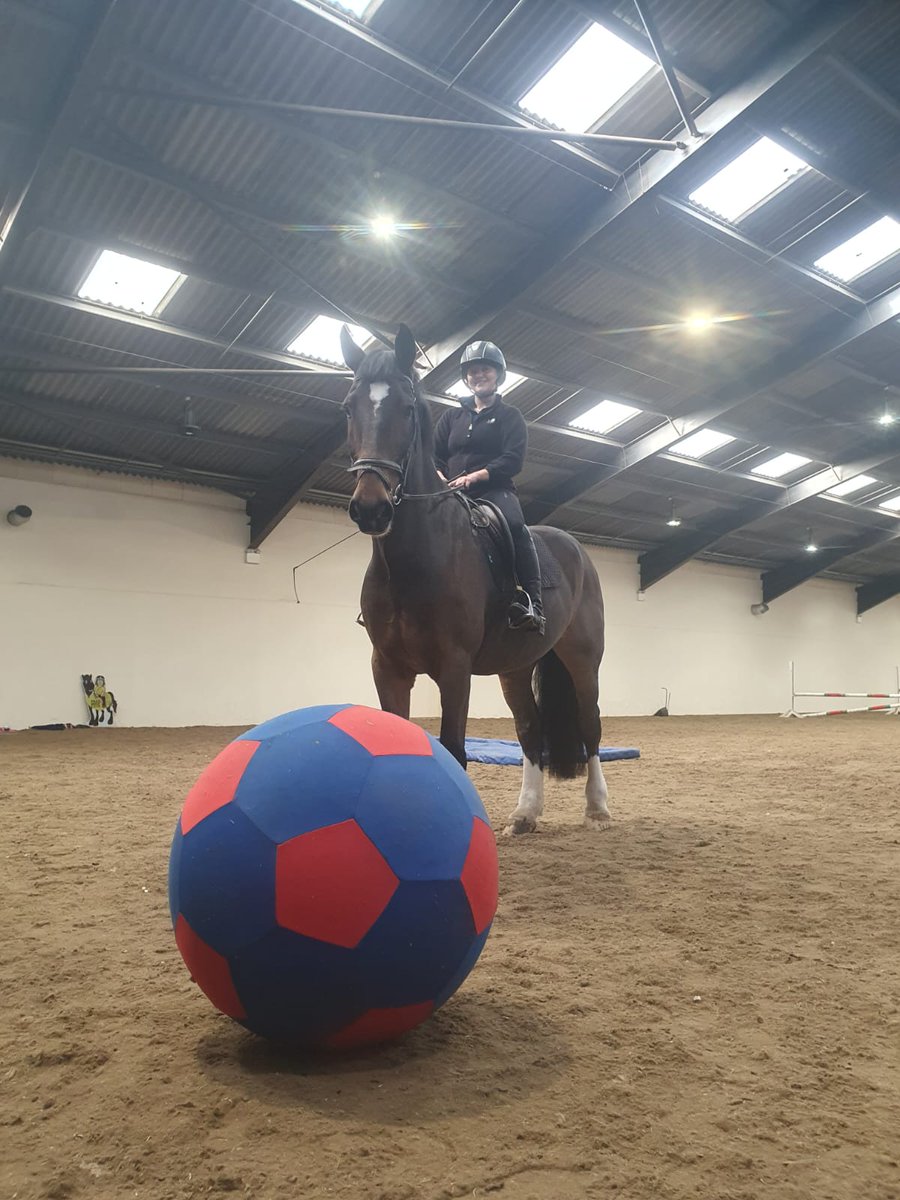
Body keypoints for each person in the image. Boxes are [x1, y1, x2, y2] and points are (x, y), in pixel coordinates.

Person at [433, 340, 545, 635]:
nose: (478, 375)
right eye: (472, 371)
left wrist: (476, 476)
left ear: (497, 375)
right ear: (466, 379)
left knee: (515, 526)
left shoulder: (510, 416)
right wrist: (440, 476)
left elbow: (513, 459)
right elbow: (435, 453)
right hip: (450, 491)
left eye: (485, 370)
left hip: (494, 490)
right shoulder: (450, 417)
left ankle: (532, 601)